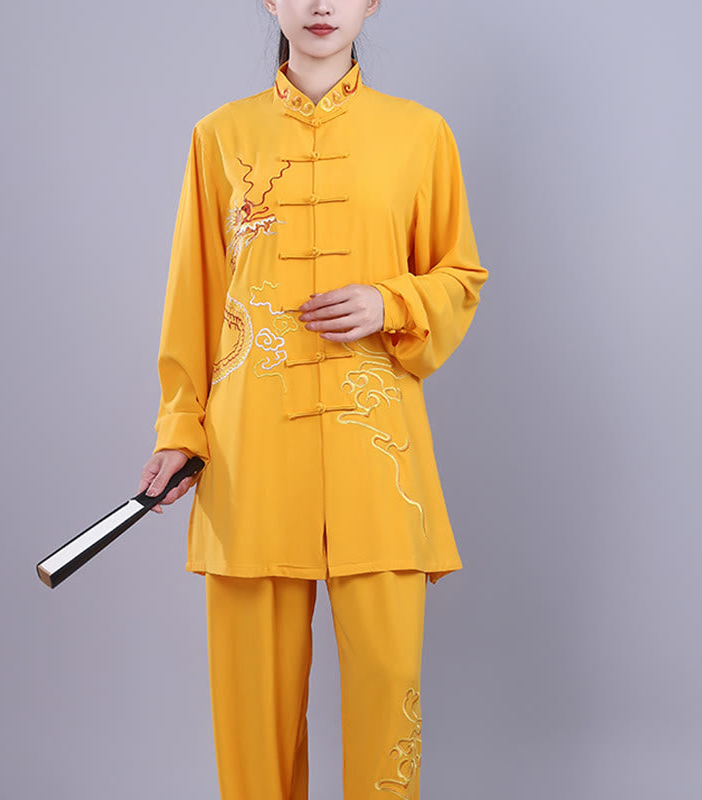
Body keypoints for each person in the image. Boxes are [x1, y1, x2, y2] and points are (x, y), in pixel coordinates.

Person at [137, 1, 488, 797]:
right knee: (252, 714)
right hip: (251, 453)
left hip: (378, 456)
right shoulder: (221, 136)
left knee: (388, 695)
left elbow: (459, 276)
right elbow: (194, 294)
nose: (322, 5)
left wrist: (389, 301)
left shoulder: (420, 134)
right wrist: (178, 427)